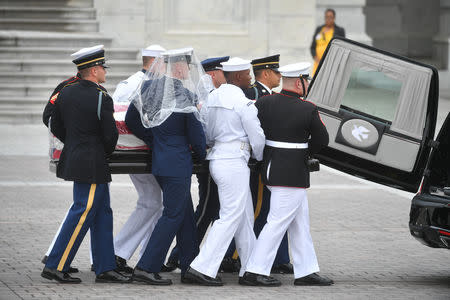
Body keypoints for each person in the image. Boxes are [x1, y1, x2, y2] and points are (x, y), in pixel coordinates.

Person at [42, 45, 130, 284]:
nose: (105, 72)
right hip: (92, 162)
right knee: (82, 211)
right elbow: (110, 136)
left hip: (78, 157)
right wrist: (99, 150)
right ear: (93, 70)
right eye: (103, 68)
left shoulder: (65, 91)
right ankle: (55, 265)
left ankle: (105, 267)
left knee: (102, 212)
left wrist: (72, 141)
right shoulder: (102, 96)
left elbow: (50, 119)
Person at [241, 62, 332, 286]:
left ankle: (306, 271)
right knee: (277, 222)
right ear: (300, 82)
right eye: (306, 81)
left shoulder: (264, 102)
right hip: (292, 172)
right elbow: (322, 140)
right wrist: (304, 151)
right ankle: (255, 270)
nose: (308, 84)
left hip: (272, 167)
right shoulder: (307, 108)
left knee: (300, 222)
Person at [184, 57, 265, 286]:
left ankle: (251, 268)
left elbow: (207, 133)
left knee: (244, 216)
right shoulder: (242, 102)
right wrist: (260, 157)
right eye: (248, 74)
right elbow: (256, 136)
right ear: (238, 76)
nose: (250, 77)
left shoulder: (213, 97)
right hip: (234, 161)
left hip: (218, 158)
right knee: (230, 216)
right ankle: (201, 268)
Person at [130, 47, 207, 285]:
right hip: (178, 163)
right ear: (179, 67)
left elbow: (131, 119)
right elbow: (195, 132)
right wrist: (202, 154)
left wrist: (154, 139)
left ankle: (189, 265)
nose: (188, 71)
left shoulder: (148, 88)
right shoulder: (183, 94)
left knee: (183, 213)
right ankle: (146, 266)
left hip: (161, 159)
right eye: (187, 67)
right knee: (173, 215)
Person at [164, 56, 229, 271]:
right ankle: (179, 255)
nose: (225, 76)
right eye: (222, 72)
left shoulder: (219, 94)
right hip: (209, 158)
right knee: (208, 208)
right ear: (212, 74)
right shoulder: (206, 95)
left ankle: (188, 255)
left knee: (214, 209)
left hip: (216, 156)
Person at [111, 44, 166, 274]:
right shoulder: (144, 85)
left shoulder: (129, 82)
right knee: (151, 202)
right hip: (140, 150)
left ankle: (148, 255)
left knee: (156, 202)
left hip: (135, 149)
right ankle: (116, 253)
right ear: (156, 62)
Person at [241, 54, 293, 275]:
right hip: (258, 162)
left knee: (272, 210)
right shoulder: (253, 94)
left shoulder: (269, 95)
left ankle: (278, 259)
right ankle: (236, 256)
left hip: (272, 160)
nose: (280, 76)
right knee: (258, 211)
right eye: (277, 72)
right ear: (266, 73)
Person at [41, 71, 82, 274]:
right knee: (81, 209)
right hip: (80, 154)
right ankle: (54, 257)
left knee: (97, 210)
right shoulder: (66, 87)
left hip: (93, 156)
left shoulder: (96, 89)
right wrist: (71, 138)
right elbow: (48, 116)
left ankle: (104, 263)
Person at [310, 8, 346, 75]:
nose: (328, 19)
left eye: (330, 17)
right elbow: (312, 47)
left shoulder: (340, 30)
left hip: (331, 63)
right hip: (318, 63)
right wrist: (316, 58)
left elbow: (343, 47)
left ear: (334, 18)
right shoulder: (319, 29)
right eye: (327, 17)